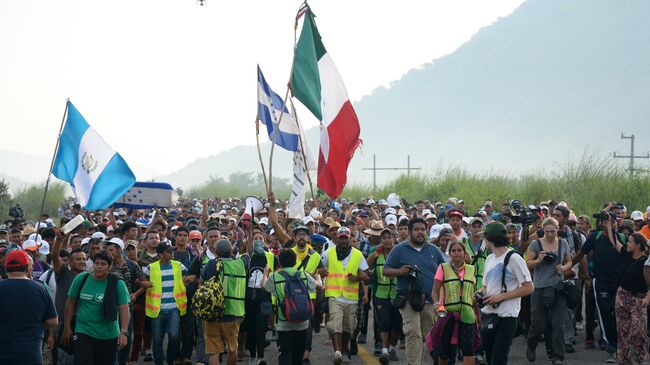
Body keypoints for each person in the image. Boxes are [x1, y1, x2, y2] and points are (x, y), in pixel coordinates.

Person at [383, 218, 445, 365]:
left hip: (430, 300)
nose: (420, 232)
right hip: (408, 300)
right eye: (417, 229)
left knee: (428, 336)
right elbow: (385, 270)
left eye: (423, 229)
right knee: (413, 333)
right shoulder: (399, 249)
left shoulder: (433, 250)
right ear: (410, 232)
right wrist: (400, 271)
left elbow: (444, 271)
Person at [571, 209, 625, 362]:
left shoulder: (622, 238)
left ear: (616, 223)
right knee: (605, 315)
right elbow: (581, 254)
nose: (608, 224)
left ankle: (623, 347)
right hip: (600, 282)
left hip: (620, 283)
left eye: (612, 221)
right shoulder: (595, 237)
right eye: (606, 221)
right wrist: (569, 265)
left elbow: (628, 257)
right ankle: (612, 348)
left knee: (619, 316)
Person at [478, 222, 533, 365]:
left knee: (499, 359)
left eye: (484, 237)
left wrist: (501, 296)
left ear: (490, 239)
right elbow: (485, 285)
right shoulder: (489, 259)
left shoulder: (514, 258)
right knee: (489, 358)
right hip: (488, 314)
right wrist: (480, 292)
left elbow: (529, 287)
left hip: (506, 317)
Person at [61, 250, 130, 365]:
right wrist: (67, 327)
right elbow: (70, 303)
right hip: (83, 331)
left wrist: (123, 332)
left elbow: (124, 308)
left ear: (110, 266)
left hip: (108, 335)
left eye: (103, 264)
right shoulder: (81, 279)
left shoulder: (117, 284)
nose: (99, 267)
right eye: (96, 263)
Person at [525, 218, 573, 365]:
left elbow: (569, 261)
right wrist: (539, 259)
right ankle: (531, 345)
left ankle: (558, 356)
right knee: (538, 323)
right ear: (543, 231)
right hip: (540, 287)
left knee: (558, 324)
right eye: (547, 232)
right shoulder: (536, 243)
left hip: (558, 288)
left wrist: (564, 268)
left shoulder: (563, 243)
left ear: (557, 230)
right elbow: (528, 263)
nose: (550, 234)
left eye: (553, 231)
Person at [319, 226, 369, 365]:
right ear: (337, 239)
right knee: (336, 323)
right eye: (341, 238)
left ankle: (345, 350)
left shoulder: (358, 254)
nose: (343, 241)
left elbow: (366, 274)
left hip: (351, 297)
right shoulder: (328, 253)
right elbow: (319, 266)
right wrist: (321, 271)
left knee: (348, 326)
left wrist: (357, 278)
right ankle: (337, 352)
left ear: (349, 239)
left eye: (346, 238)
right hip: (334, 295)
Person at [0, 249, 58, 365]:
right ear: (27, 267)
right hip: (31, 355)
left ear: (6, 268)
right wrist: (34, 324)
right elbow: (53, 322)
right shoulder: (40, 288)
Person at [263, 249, 319, 365]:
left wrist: (265, 274)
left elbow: (263, 287)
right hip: (302, 321)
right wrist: (318, 277)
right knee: (298, 353)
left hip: (284, 322)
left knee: (285, 351)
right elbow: (319, 287)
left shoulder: (275, 277)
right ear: (295, 262)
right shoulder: (303, 275)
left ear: (280, 263)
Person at [200, 239, 249, 365]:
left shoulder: (211, 264)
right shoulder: (240, 264)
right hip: (234, 313)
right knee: (232, 349)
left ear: (216, 252)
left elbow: (203, 280)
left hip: (212, 312)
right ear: (231, 251)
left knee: (214, 351)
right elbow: (249, 254)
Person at [431, 241, 479, 365]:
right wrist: (437, 304)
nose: (456, 253)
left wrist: (477, 314)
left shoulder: (471, 269)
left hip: (468, 313)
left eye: (459, 250)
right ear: (450, 253)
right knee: (445, 349)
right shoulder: (443, 267)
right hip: (448, 313)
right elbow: (435, 290)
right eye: (453, 251)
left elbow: (472, 295)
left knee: (468, 348)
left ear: (464, 253)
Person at [106, 237, 150, 365]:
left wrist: (135, 294)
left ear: (119, 250)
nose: (109, 253)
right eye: (107, 250)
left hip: (127, 307)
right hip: (111, 307)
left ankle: (124, 361)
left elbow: (145, 283)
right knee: (112, 337)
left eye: (111, 250)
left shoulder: (131, 264)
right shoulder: (107, 265)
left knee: (127, 336)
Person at [143, 243, 188, 365]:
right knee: (157, 339)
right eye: (168, 251)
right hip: (157, 310)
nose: (172, 253)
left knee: (174, 336)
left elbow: (189, 276)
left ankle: (169, 359)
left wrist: (190, 279)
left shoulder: (178, 265)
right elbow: (141, 280)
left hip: (174, 308)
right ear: (161, 254)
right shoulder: (151, 267)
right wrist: (143, 285)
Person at [366, 228, 401, 364]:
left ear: (393, 238)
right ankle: (385, 350)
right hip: (380, 294)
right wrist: (375, 254)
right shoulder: (377, 253)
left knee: (397, 325)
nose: (387, 240)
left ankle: (392, 348)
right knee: (383, 323)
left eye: (389, 237)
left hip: (397, 295)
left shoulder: (399, 252)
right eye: (384, 238)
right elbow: (366, 265)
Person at [615, 233, 649, 364]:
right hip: (623, 296)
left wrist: (648, 297)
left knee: (638, 331)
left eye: (630, 242)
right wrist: (608, 225)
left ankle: (641, 359)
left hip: (639, 298)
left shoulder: (646, 261)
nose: (627, 244)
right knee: (622, 331)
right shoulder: (627, 256)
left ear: (638, 245)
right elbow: (614, 241)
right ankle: (624, 360)